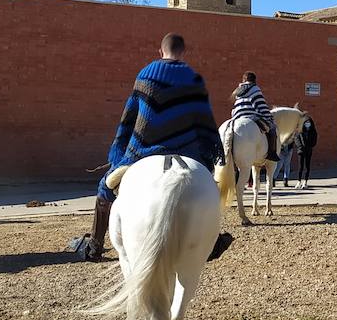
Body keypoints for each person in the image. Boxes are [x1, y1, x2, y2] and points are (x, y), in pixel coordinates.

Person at [83, 34, 226, 263]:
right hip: (187, 151)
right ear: (184, 52)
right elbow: (204, 121)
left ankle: (95, 245)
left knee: (104, 188)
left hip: (143, 150)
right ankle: (213, 240)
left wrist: (121, 149)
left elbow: (130, 118)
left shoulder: (146, 74)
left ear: (160, 52)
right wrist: (206, 154)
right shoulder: (193, 79)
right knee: (207, 186)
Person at [232, 72, 279, 161]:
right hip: (251, 116)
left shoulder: (238, 91)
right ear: (254, 80)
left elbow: (234, 108)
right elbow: (261, 106)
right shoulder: (255, 89)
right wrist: (269, 118)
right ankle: (272, 153)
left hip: (237, 117)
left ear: (243, 80)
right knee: (272, 129)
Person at [294, 116, 318, 189]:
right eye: (306, 123)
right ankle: (299, 181)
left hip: (308, 150)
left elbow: (314, 141)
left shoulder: (313, 132)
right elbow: (296, 139)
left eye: (309, 123)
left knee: (307, 166)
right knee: (300, 167)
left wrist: (309, 146)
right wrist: (301, 147)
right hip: (301, 151)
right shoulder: (299, 131)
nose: (307, 124)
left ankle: (305, 181)